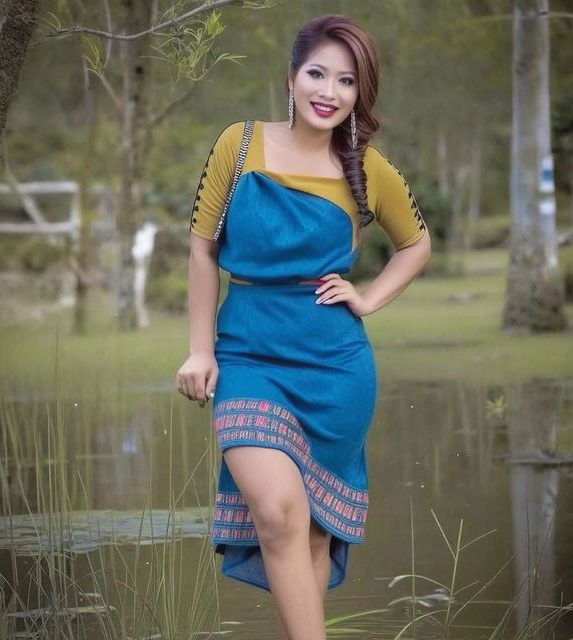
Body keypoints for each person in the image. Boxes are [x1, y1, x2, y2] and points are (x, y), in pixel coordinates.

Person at [176, 13, 431, 640]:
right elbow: (203, 250)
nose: (329, 91)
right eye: (317, 73)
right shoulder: (238, 144)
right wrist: (198, 351)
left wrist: (368, 299)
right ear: (291, 78)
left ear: (359, 94)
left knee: (313, 534)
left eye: (347, 81)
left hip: (336, 368)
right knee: (279, 516)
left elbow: (416, 245)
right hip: (248, 358)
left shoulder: (368, 168)